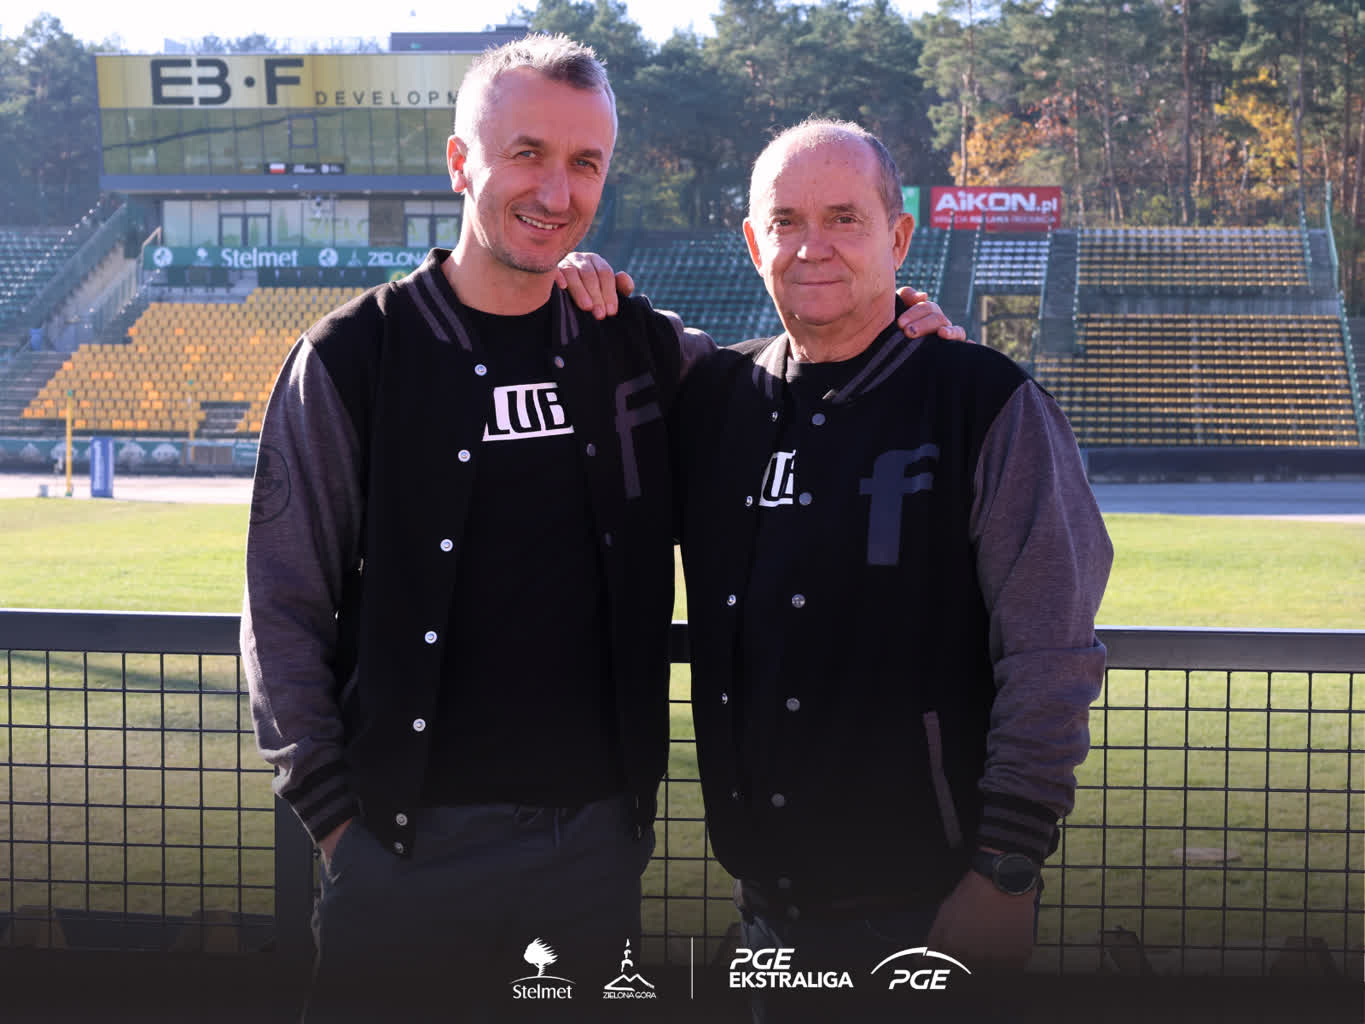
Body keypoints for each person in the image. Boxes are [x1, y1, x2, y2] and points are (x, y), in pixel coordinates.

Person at [242, 36, 962, 1020]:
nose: (556, 190)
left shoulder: (636, 346)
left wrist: (901, 325)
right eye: (527, 154)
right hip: (400, 851)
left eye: (585, 162)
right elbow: (281, 607)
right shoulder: (351, 356)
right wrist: (335, 824)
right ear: (459, 163)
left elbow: (798, 375)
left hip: (592, 855)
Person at [671, 119, 1112, 1017]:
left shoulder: (985, 401)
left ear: (898, 236)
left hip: (934, 913)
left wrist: (1006, 868)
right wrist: (576, 272)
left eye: (844, 218)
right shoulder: (712, 399)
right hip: (767, 916)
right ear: (752, 242)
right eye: (785, 221)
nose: (812, 246)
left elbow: (1050, 655)